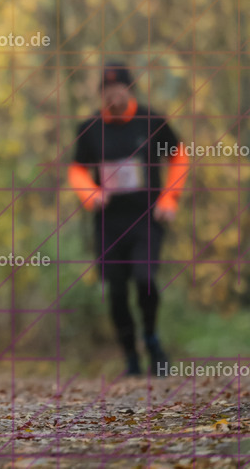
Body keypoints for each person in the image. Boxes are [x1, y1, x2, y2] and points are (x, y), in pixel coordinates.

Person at [67, 62, 188, 376]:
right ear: (100, 93)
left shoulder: (152, 121)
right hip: (109, 222)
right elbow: (77, 168)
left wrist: (170, 197)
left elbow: (178, 155)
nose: (113, 95)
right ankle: (130, 358)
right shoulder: (90, 128)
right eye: (107, 90)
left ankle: (152, 339)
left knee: (145, 279)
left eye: (119, 88)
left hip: (147, 217)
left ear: (129, 89)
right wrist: (90, 194)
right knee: (117, 290)